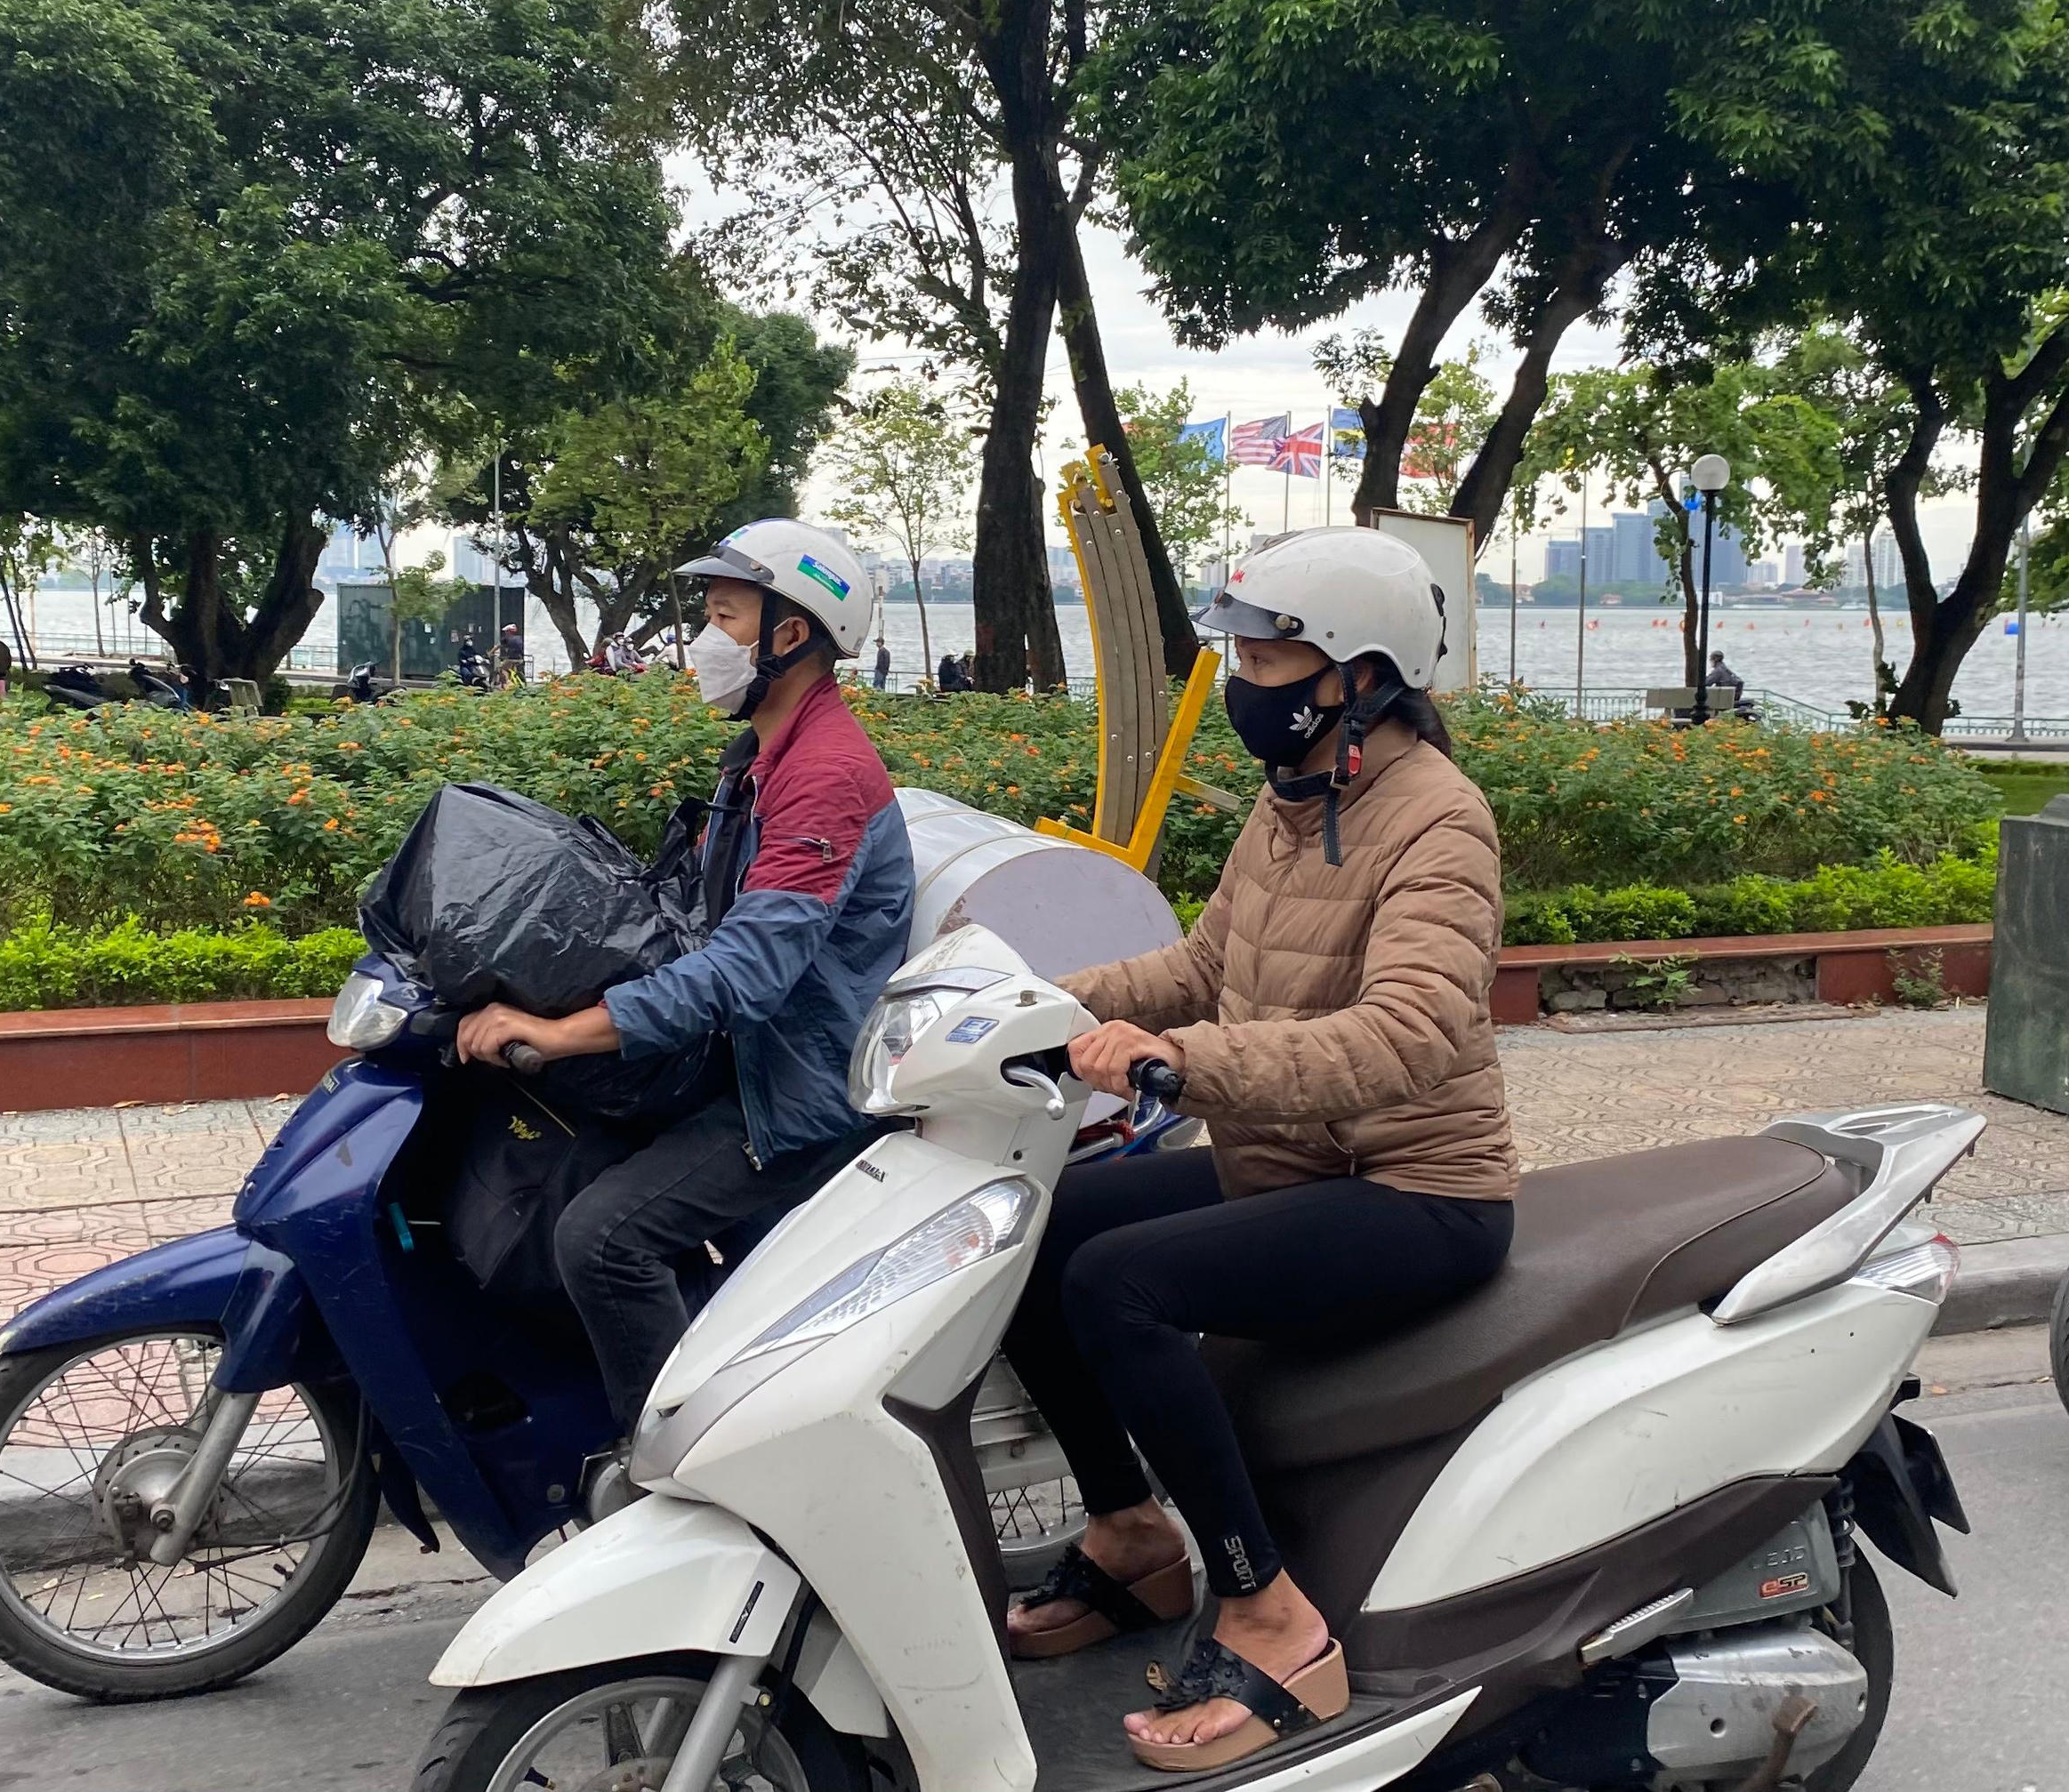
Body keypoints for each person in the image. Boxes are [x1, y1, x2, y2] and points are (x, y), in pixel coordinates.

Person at [997, 526, 1515, 1773]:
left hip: (1415, 1190)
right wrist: (1032, 1008)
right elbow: (1204, 964)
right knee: (1034, 1234)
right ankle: (1131, 1535)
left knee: (1118, 1284)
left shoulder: (1438, 822)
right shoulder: (1294, 803)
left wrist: (1183, 1062)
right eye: (1240, 654)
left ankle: (1270, 1612)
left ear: (1361, 675)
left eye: (1270, 657)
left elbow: (1408, 1035)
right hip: (1292, 1162)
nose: (1244, 682)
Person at [454, 518, 911, 1449]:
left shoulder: (824, 774)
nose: (703, 640)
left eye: (724, 616)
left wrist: (566, 1031)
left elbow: (751, 968)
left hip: (795, 1092)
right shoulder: (762, 757)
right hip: (741, 1060)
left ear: (789, 634)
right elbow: (695, 914)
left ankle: (682, 1474)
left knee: (601, 1238)